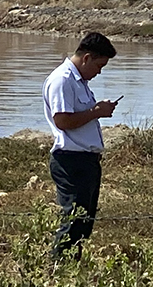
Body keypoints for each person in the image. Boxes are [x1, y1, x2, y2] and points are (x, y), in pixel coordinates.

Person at [43, 31, 120, 258]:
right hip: (70, 160)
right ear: (86, 58)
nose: (99, 72)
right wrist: (96, 112)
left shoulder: (79, 81)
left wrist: (96, 112)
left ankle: (72, 269)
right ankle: (58, 269)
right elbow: (63, 120)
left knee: (84, 223)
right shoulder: (63, 79)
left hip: (86, 161)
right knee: (73, 220)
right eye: (99, 66)